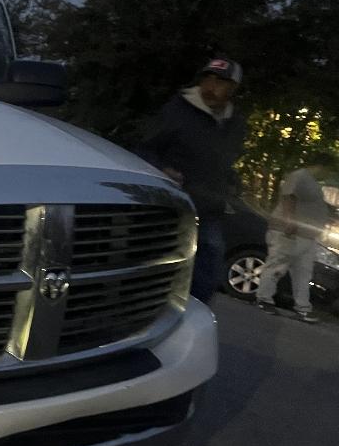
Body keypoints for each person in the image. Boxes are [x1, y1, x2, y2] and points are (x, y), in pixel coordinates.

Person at [138, 58, 246, 303]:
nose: (211, 86)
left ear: (233, 89)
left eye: (220, 82)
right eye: (208, 79)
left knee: (208, 267)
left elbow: (223, 163)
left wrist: (232, 184)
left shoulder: (236, 123)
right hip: (171, 206)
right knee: (158, 263)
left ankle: (194, 318)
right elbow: (145, 149)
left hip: (209, 210)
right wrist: (163, 169)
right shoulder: (178, 110)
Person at [255, 151, 338, 323]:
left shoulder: (313, 183)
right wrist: (289, 221)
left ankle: (302, 308)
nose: (328, 174)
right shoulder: (300, 177)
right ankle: (264, 299)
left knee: (303, 273)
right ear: (321, 166)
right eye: (328, 169)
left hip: (307, 235)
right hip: (290, 233)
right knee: (277, 264)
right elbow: (288, 197)